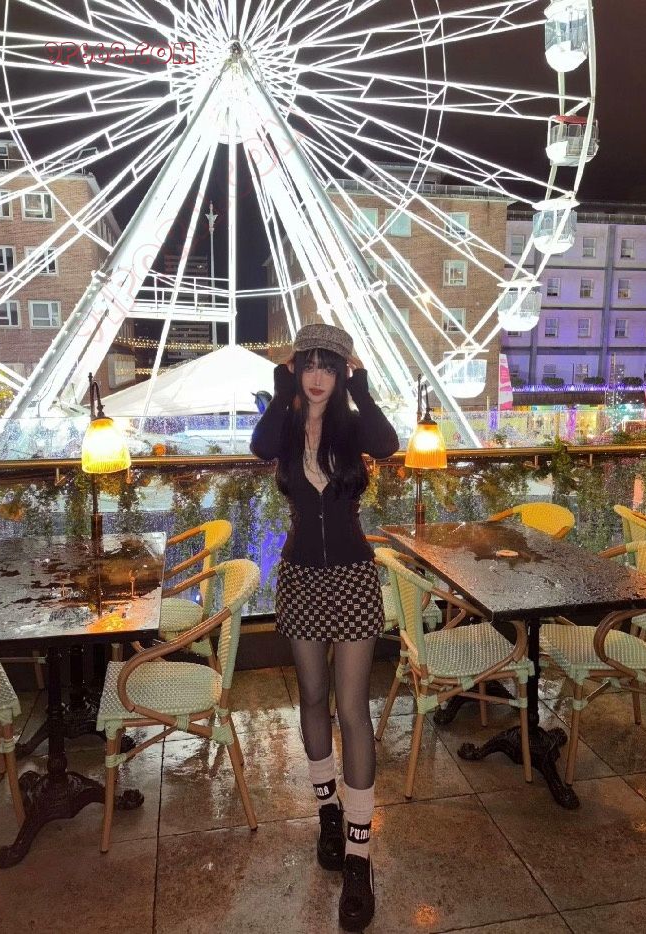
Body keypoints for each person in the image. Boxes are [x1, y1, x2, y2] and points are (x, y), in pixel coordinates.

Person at [251, 323, 399, 932]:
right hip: (301, 578)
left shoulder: (352, 428)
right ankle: (328, 814)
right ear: (297, 370)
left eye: (328, 367)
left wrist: (361, 386)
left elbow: (388, 442)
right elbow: (260, 445)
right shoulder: (285, 426)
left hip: (353, 577)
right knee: (313, 698)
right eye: (308, 365)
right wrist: (281, 385)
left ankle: (360, 855)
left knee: (352, 708)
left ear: (341, 374)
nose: (317, 377)